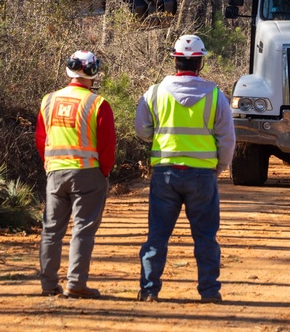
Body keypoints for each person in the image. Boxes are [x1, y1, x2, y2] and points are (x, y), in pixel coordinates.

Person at [135, 35, 235, 304]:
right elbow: (227, 138)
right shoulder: (216, 96)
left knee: (157, 236)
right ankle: (210, 292)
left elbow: (142, 130)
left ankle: (148, 291)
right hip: (202, 176)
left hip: (165, 174)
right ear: (200, 62)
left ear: (175, 60)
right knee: (205, 237)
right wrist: (219, 167)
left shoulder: (154, 92)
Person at [36, 49, 116, 299]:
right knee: (83, 229)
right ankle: (76, 283)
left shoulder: (48, 100)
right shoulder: (98, 104)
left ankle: (48, 284)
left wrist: (50, 165)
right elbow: (107, 144)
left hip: (55, 173)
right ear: (93, 72)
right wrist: (104, 172)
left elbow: (41, 138)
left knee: (51, 229)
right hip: (88, 174)